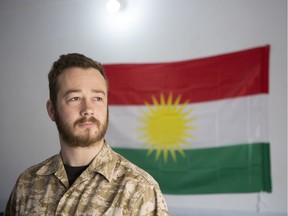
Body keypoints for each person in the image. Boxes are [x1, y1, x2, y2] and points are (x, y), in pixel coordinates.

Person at [5, 53, 169, 216]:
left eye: (97, 98)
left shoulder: (139, 190)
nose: (88, 109)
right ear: (52, 110)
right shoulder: (26, 183)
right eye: (75, 98)